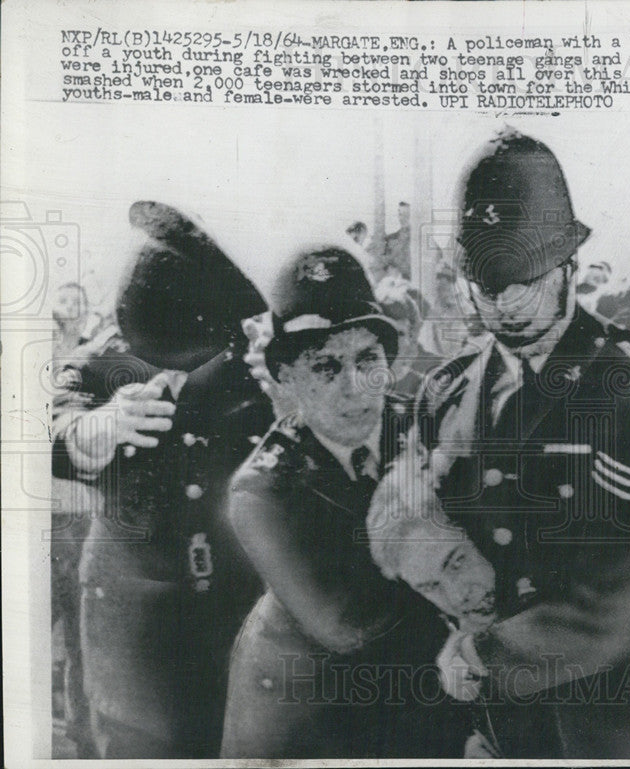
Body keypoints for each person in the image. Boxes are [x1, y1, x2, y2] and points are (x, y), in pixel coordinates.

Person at [380, 130, 630, 759]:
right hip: (515, 727)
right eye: (486, 284)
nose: (506, 303)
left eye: (526, 279)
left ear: (570, 267)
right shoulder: (443, 394)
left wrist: (482, 655)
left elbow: (609, 606)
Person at [220, 246, 467, 759]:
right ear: (286, 378)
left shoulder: (429, 427)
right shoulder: (262, 490)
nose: (355, 389)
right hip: (312, 716)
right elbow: (348, 626)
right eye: (326, 367)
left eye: (367, 359)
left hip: (423, 699)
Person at [52, 201, 275, 758]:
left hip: (236, 604)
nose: (172, 377)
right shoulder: (99, 363)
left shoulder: (246, 360)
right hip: (135, 621)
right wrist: (93, 432)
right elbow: (52, 424)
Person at [374, 275, 442, 398]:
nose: (393, 342)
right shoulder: (360, 383)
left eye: (400, 334)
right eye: (386, 334)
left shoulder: (435, 373)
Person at [371, 201, 412, 282]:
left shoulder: (423, 241)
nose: (402, 218)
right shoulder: (390, 239)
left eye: (407, 215)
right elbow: (380, 264)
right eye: (400, 214)